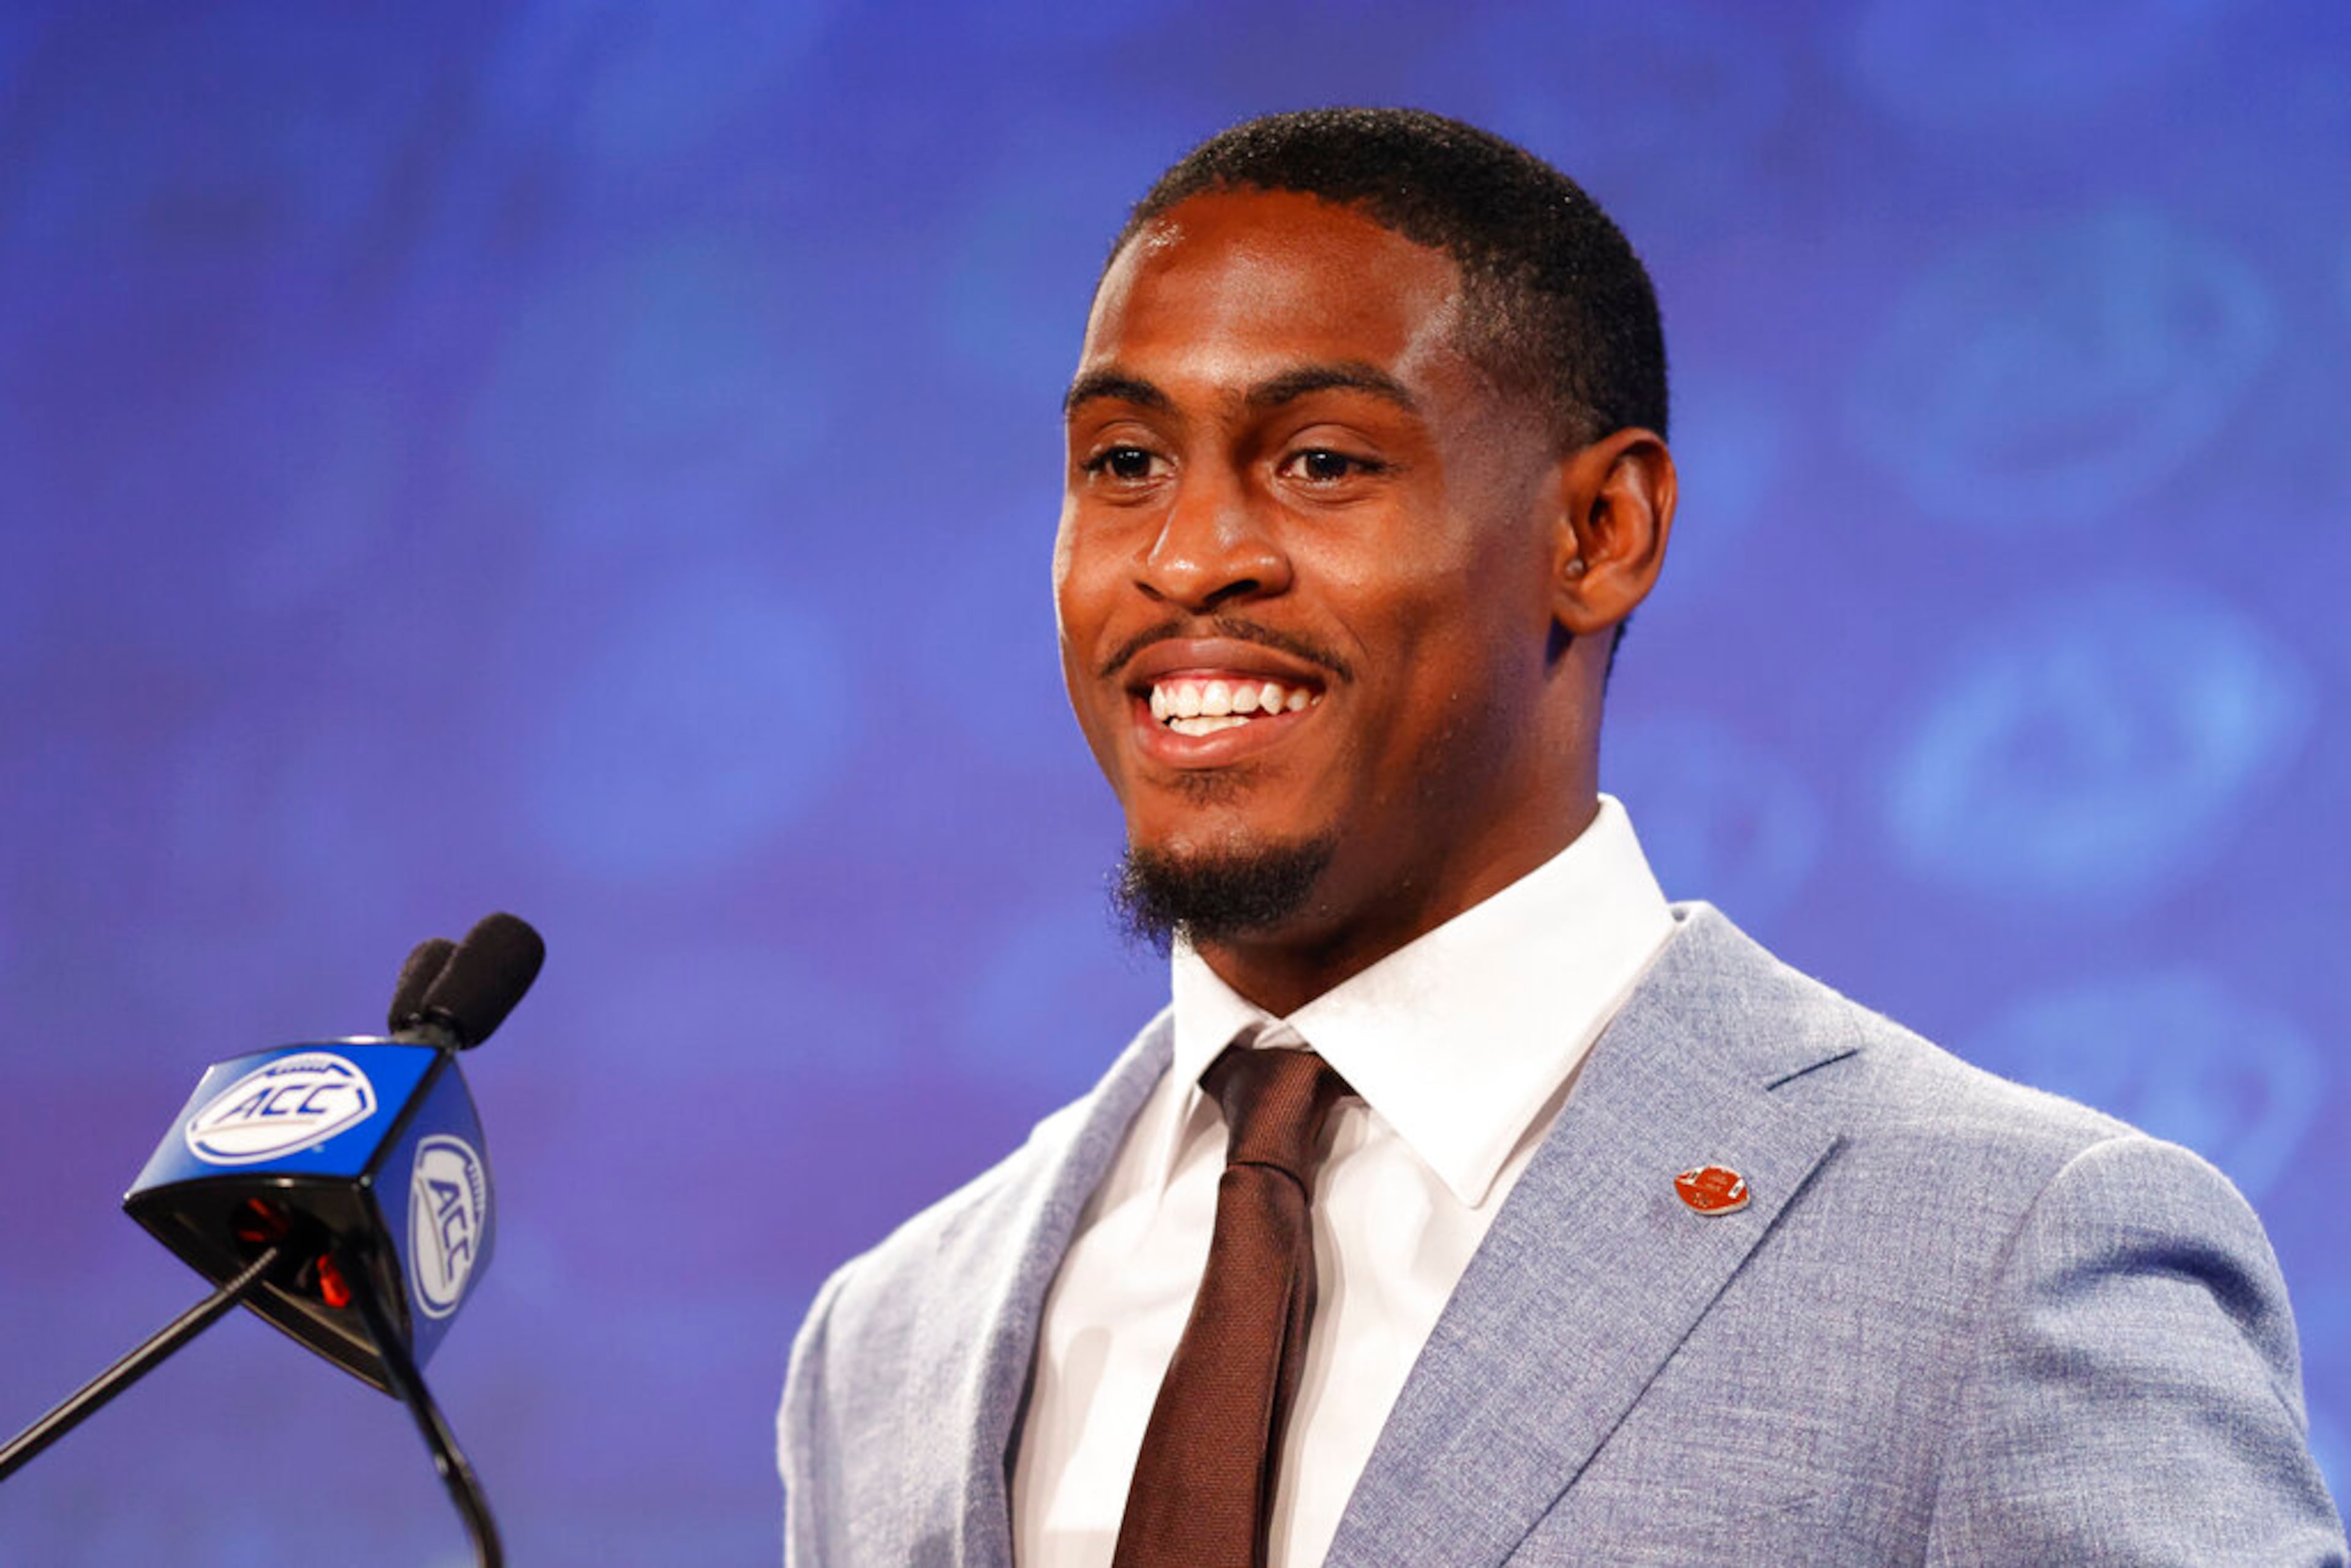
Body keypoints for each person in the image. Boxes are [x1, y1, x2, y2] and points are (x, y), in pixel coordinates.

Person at [778, 108, 2345, 1567]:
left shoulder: (2016, 1257)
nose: (1188, 556)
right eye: (1125, 465)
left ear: (1601, 534)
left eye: (1321, 460)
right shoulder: (895, 1338)